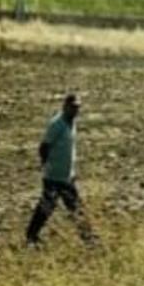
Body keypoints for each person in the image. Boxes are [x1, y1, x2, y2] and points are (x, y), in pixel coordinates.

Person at [26, 94, 92, 244]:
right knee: (48, 207)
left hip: (66, 176)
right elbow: (44, 147)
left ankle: (88, 238)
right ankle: (31, 235)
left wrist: (72, 172)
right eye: (73, 107)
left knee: (73, 207)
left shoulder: (72, 122)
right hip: (54, 176)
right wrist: (46, 165)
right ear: (65, 106)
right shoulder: (57, 124)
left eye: (78, 107)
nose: (76, 110)